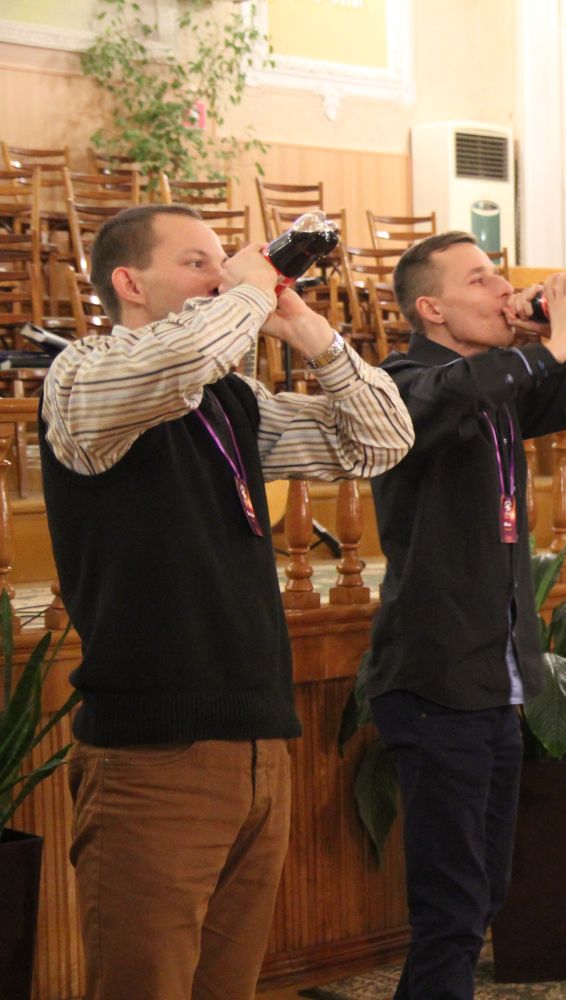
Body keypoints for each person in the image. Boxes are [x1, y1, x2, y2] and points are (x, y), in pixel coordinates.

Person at [40, 204, 414, 1000]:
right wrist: (247, 289)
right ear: (129, 282)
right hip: (153, 755)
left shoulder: (233, 401)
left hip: (256, 744)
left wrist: (307, 329)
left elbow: (382, 440)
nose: (223, 275)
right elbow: (173, 364)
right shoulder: (82, 376)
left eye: (225, 260)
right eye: (198, 263)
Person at [364, 232, 566, 999]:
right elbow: (452, 396)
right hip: (434, 679)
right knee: (452, 910)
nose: (502, 290)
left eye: (500, 276)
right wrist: (544, 349)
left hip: (494, 678)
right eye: (481, 279)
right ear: (431, 308)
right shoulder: (399, 385)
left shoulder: (503, 389)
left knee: (482, 897)